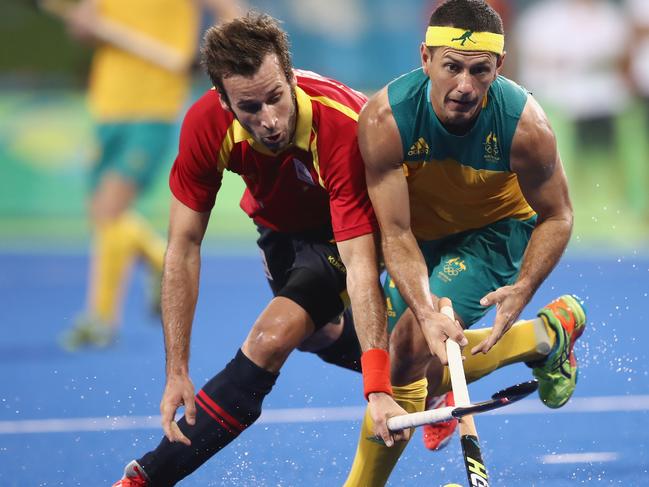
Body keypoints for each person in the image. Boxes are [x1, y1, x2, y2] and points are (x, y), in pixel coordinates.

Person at [111, 12, 427, 486]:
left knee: (272, 337)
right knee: (319, 335)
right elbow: (183, 246)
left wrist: (376, 388)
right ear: (223, 100)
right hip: (279, 221)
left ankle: (147, 478)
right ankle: (527, 342)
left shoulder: (342, 128)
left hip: (362, 216)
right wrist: (177, 370)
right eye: (250, 107)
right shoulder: (206, 127)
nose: (270, 120)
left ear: (289, 74)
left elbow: (360, 267)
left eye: (276, 97)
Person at [343, 1, 586, 485]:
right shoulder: (385, 120)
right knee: (403, 358)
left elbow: (558, 215)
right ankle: (546, 335)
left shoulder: (526, 127)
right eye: (452, 67)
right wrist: (429, 307)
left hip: (495, 234)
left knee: (411, 346)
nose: (465, 86)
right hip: (421, 236)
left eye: (480, 71)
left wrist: (523, 287)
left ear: (500, 66)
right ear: (426, 58)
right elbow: (394, 231)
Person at [59, 0, 243, 350]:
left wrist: (225, 64)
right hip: (106, 104)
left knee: (111, 210)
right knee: (102, 214)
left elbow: (228, 9)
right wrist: (85, 24)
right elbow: (85, 28)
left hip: (155, 106)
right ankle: (157, 260)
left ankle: (101, 317)